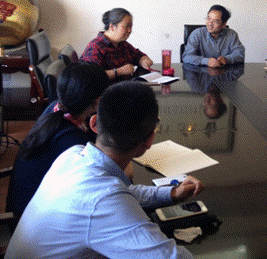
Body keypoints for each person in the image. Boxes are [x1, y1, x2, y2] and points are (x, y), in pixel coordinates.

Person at [6, 81, 204, 259]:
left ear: (94, 124)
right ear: (149, 140)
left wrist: (171, 193)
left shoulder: (74, 155)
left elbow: (120, 193)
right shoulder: (104, 201)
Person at [6, 62, 109, 218]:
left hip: (26, 207)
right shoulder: (73, 143)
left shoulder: (55, 109)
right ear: (97, 101)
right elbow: (98, 186)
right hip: (30, 221)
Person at [80, 8, 153, 81]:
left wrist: (143, 60)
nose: (130, 30)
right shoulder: (95, 46)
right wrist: (119, 71)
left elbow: (138, 56)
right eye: (126, 26)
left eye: (130, 27)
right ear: (112, 27)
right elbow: (89, 77)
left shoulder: (123, 44)